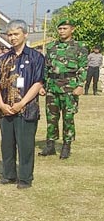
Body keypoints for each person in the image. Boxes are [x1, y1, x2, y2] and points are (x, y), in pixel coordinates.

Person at [0, 19, 45, 189]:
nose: (12, 37)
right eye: (10, 34)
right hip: (5, 109)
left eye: (16, 34)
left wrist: (21, 103)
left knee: (25, 145)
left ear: (25, 34)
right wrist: (1, 104)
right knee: (7, 144)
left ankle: (25, 178)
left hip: (26, 109)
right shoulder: (3, 59)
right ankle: (8, 175)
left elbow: (38, 83)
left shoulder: (36, 57)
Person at [38, 18, 87, 159]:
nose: (62, 31)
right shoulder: (52, 46)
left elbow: (83, 67)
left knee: (68, 117)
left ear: (72, 29)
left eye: (65, 28)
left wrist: (80, 85)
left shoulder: (80, 46)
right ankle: (50, 145)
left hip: (69, 87)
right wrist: (43, 85)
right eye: (60, 29)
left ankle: (66, 146)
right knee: (51, 117)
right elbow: (46, 68)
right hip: (52, 87)